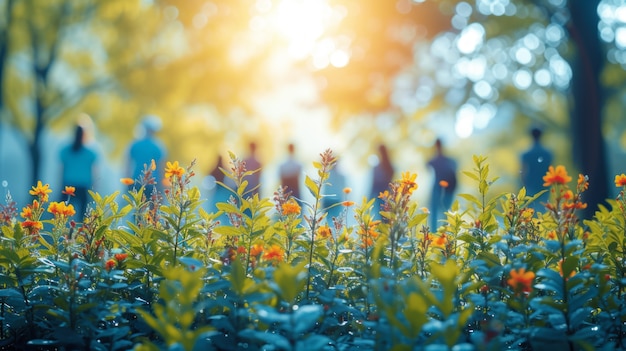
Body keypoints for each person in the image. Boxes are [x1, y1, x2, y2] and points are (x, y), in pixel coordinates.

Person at [59, 123, 99, 221]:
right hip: (83, 187)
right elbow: (94, 173)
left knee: (61, 217)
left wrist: (60, 187)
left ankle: (62, 235)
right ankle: (78, 235)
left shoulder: (65, 151)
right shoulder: (91, 153)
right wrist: (95, 189)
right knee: (83, 218)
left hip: (68, 186)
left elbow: (61, 171)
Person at [127, 115, 167, 194]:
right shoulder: (159, 147)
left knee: (137, 204)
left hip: (137, 180)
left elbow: (128, 166)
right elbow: (161, 168)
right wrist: (162, 187)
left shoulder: (135, 145)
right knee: (152, 205)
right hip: (153, 182)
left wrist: (127, 183)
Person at [427, 138, 457, 230]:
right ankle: (444, 234)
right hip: (448, 190)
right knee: (445, 212)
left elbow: (427, 164)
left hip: (440, 190)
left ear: (436, 146)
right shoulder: (450, 161)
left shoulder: (434, 161)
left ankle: (437, 234)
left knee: (437, 212)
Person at [520, 127, 553, 210]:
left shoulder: (526, 154)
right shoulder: (548, 154)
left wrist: (524, 186)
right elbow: (551, 170)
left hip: (530, 186)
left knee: (531, 212)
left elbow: (523, 172)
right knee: (543, 210)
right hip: (544, 186)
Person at [370, 144, 395, 217]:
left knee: (381, 215)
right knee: (387, 216)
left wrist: (370, 196)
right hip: (388, 194)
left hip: (380, 195)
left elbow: (374, 183)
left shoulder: (377, 167)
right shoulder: (390, 166)